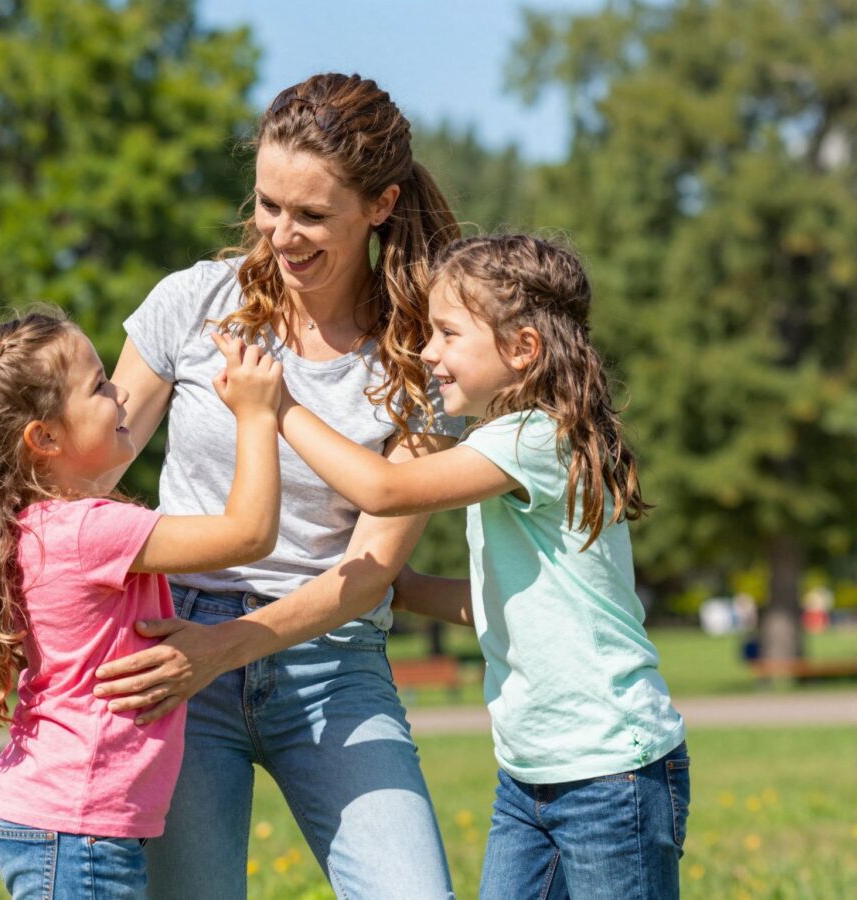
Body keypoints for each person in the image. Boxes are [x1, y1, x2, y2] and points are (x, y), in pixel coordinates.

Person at [95, 73, 463, 898]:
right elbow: (92, 471)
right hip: (172, 647)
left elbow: (372, 568)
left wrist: (226, 648)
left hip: (332, 658)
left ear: (379, 204)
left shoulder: (422, 355)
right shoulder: (195, 303)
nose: (282, 236)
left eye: (311, 215)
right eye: (268, 205)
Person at [271, 234, 690, 899]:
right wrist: (404, 590)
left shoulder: (533, 437)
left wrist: (279, 409)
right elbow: (513, 599)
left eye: (446, 333)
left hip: (611, 773)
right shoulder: (522, 441)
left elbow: (384, 490)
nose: (428, 351)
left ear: (522, 349)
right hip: (528, 776)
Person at [0, 310, 283, 899]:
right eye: (99, 386)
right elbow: (249, 534)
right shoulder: (91, 530)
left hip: (62, 820)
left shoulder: (36, 523)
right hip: (77, 827)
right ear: (44, 438)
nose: (122, 392)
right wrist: (257, 413)